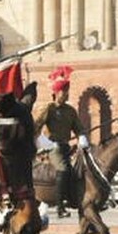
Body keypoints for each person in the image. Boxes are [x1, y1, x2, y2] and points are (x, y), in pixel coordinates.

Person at [33, 66, 88, 218]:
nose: (66, 94)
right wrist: (42, 141)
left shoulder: (70, 111)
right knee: (63, 169)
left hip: (66, 146)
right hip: (52, 147)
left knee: (80, 169)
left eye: (67, 91)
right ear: (56, 93)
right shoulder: (49, 108)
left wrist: (82, 137)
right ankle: (59, 207)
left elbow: (79, 128)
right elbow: (35, 127)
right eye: (63, 91)